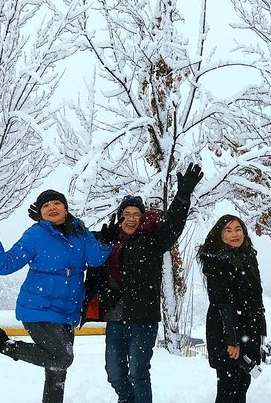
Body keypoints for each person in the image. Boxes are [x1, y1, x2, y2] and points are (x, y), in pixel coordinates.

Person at [0, 189, 116, 403]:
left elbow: (94, 259)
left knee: (56, 371)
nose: (52, 208)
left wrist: (105, 243)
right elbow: (4, 265)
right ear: (40, 212)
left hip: (67, 312)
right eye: (46, 205)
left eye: (56, 203)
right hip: (37, 308)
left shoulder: (80, 233)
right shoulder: (35, 234)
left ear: (65, 208)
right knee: (62, 357)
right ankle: (3, 345)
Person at [82, 163, 203, 403]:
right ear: (119, 217)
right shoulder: (108, 239)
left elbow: (174, 225)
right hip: (115, 318)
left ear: (142, 217)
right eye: (126, 214)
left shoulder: (152, 240)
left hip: (143, 319)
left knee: (138, 373)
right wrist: (51, 223)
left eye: (136, 214)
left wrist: (183, 196)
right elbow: (78, 236)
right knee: (114, 375)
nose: (131, 218)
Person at [197, 214, 267, 403]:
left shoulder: (248, 257)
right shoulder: (218, 262)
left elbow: (256, 298)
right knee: (228, 389)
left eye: (238, 229)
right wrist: (232, 340)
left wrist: (261, 330)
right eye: (228, 230)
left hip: (248, 330)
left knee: (242, 386)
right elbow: (224, 304)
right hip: (227, 333)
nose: (234, 234)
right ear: (219, 235)